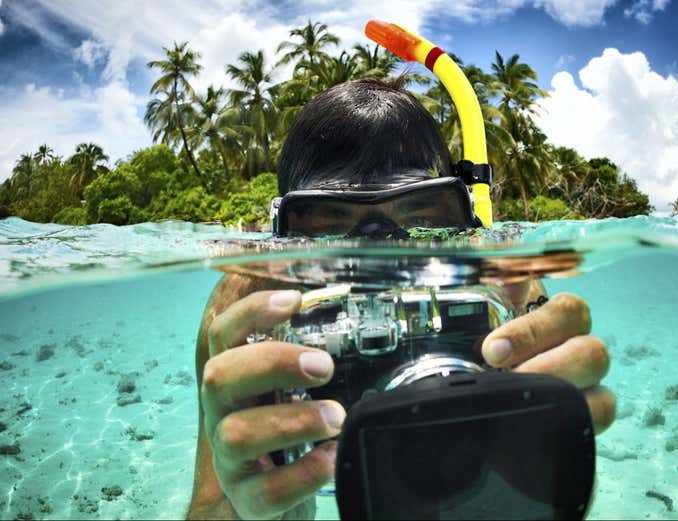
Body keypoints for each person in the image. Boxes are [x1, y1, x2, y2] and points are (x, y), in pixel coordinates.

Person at [186, 78, 615, 520]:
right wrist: (249, 506)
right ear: (283, 236)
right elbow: (210, 506)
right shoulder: (251, 309)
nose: (379, 254)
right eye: (327, 224)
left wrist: (555, 450)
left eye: (421, 217)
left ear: (463, 221)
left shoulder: (500, 288)